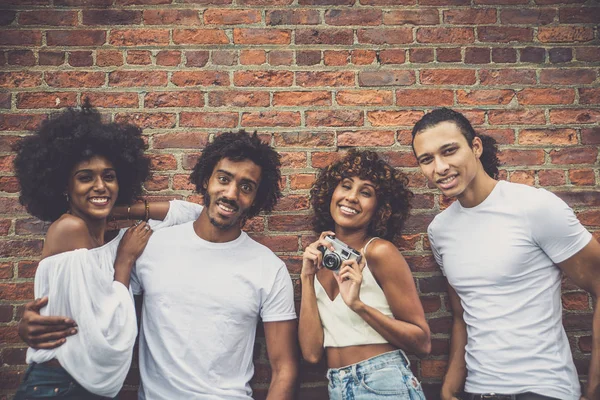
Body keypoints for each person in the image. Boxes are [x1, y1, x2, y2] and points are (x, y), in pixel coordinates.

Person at [18, 129, 298, 399]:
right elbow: (95, 306)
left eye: (246, 187)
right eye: (223, 179)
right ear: (205, 181)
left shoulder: (268, 268)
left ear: (256, 199)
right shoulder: (148, 245)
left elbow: (284, 368)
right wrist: (31, 324)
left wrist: (110, 208)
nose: (231, 193)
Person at [12, 103, 202, 399]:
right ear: (65, 185)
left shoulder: (111, 240)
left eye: (109, 177)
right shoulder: (70, 230)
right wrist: (124, 262)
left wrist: (120, 209)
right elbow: (109, 329)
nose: (100, 185)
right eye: (86, 177)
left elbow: (196, 214)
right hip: (58, 387)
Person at [411, 107, 600, 400]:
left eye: (449, 151)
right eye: (427, 159)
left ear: (475, 147)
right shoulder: (440, 230)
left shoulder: (533, 207)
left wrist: (594, 390)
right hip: (479, 391)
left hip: (543, 389)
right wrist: (449, 387)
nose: (439, 167)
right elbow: (463, 315)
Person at [298, 149, 431, 400]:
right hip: (337, 385)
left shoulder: (379, 252)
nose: (351, 197)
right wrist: (306, 278)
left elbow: (422, 342)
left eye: (366, 192)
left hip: (383, 379)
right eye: (345, 186)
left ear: (381, 207)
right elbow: (312, 354)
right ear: (330, 193)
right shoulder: (319, 262)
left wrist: (358, 305)